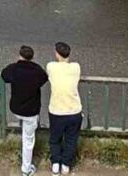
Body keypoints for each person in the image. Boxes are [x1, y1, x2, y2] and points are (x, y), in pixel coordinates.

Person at [1, 45, 49, 176]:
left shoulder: (13, 69)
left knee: (24, 126)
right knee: (28, 140)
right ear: (32, 57)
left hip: (16, 108)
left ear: (19, 55)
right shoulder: (37, 70)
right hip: (31, 111)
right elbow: (44, 78)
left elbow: (3, 75)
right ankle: (26, 169)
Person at [46, 42, 82, 175]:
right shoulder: (76, 67)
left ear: (56, 54)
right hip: (74, 111)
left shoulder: (51, 66)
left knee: (55, 138)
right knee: (71, 139)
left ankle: (55, 163)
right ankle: (66, 165)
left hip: (56, 111)